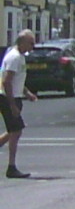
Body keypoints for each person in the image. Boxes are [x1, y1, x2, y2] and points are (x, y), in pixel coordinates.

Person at [1, 30, 38, 179]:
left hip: (15, 97)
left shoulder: (19, 56)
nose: (32, 47)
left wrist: (27, 92)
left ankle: (11, 167)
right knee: (16, 131)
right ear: (22, 42)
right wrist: (12, 105)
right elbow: (6, 81)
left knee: (13, 131)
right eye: (31, 43)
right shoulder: (14, 57)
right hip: (7, 98)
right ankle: (11, 167)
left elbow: (17, 80)